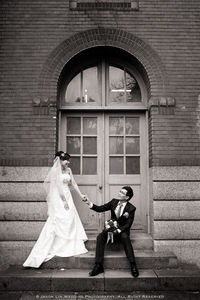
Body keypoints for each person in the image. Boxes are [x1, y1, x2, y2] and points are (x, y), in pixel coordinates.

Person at [23, 151, 88, 268]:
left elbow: (73, 183)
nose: (68, 162)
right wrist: (64, 202)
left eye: (68, 160)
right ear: (60, 160)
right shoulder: (55, 171)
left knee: (70, 218)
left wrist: (81, 195)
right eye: (66, 160)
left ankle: (69, 244)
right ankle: (57, 245)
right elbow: (58, 188)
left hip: (68, 195)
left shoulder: (68, 170)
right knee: (60, 218)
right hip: (59, 198)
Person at [85, 186, 139, 277]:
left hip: (122, 231)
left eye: (122, 193)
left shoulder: (131, 208)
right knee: (100, 237)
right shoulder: (114, 202)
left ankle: (133, 264)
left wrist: (118, 230)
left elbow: (128, 225)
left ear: (127, 197)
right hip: (111, 229)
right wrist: (89, 203)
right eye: (120, 191)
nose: (119, 193)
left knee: (125, 237)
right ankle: (98, 266)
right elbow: (100, 208)